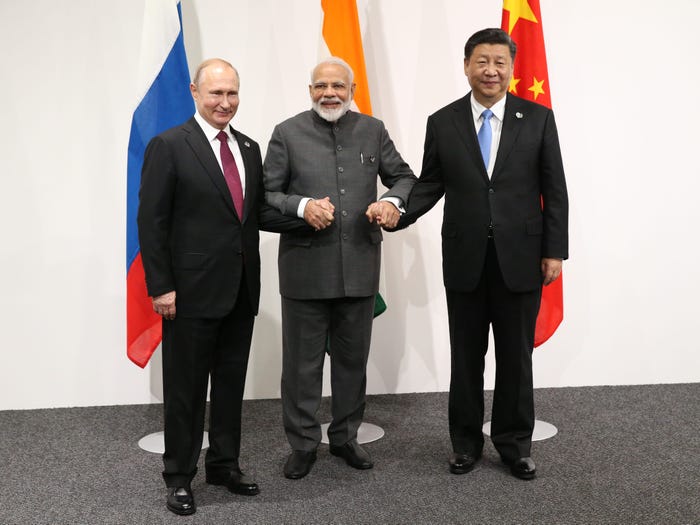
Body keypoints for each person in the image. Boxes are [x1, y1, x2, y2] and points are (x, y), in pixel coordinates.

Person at [395, 29, 568, 480]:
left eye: (500, 62)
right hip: (466, 259)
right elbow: (430, 183)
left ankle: (514, 444)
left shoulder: (538, 118)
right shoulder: (443, 121)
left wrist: (555, 252)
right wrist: (397, 212)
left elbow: (555, 190)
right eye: (482, 61)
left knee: (516, 357)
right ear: (467, 65)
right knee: (465, 356)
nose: (491, 70)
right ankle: (465, 444)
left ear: (511, 67)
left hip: (522, 258)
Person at [138, 58, 304, 515]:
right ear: (195, 92)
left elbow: (253, 216)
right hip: (188, 294)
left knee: (231, 387)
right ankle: (178, 476)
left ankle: (224, 466)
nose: (225, 102)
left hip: (240, 290)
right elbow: (152, 223)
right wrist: (162, 287)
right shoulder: (169, 146)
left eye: (232, 93)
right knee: (186, 390)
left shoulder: (249, 147)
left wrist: (306, 218)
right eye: (216, 94)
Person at [263, 57, 417, 480]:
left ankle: (345, 438)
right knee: (301, 367)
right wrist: (300, 206)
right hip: (304, 271)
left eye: (337, 86)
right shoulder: (287, 132)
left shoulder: (373, 129)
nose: (329, 93)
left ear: (352, 90)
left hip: (360, 269)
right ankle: (303, 444)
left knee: (352, 362)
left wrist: (391, 201)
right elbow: (265, 195)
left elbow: (404, 177)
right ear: (309, 90)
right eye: (320, 86)